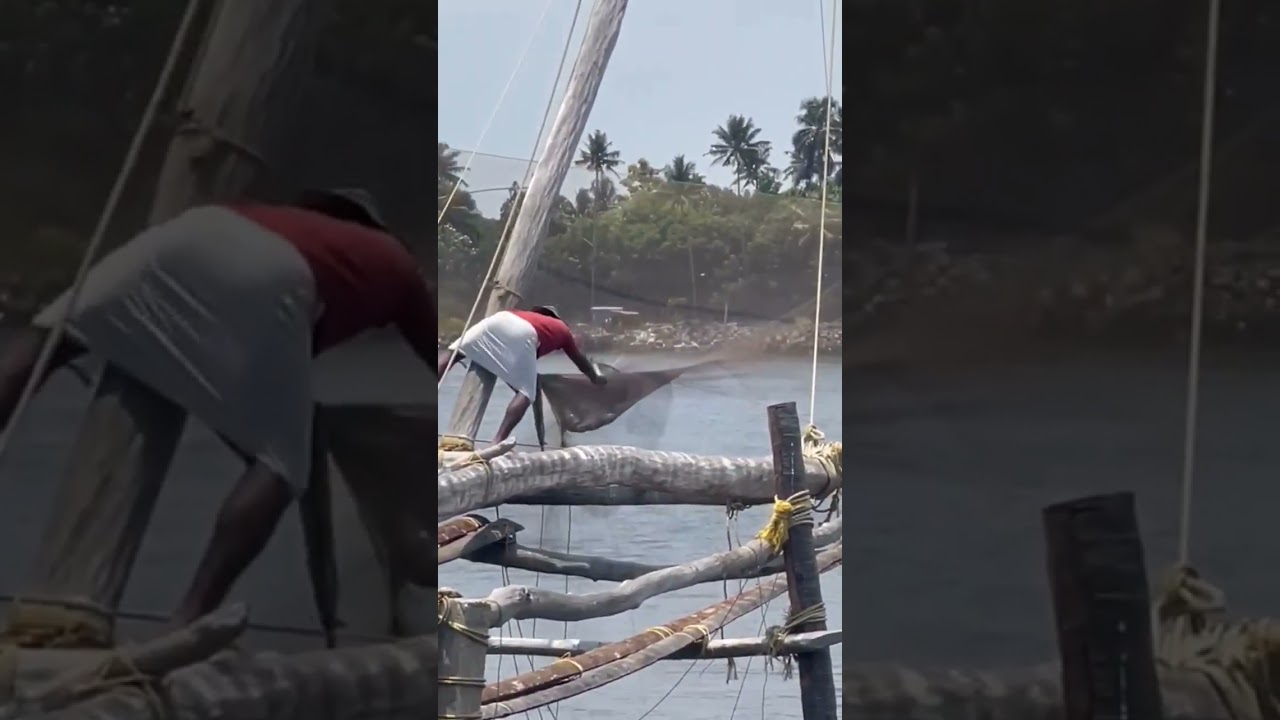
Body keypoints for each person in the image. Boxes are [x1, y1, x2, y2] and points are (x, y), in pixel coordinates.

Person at [0, 188, 438, 626]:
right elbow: (444, 364)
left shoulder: (274, 215)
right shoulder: (395, 263)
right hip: (273, 276)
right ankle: (190, 617)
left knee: (48, 339)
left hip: (188, 232)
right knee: (280, 467)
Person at [439, 304, 605, 442]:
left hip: (498, 319)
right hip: (524, 332)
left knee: (454, 352)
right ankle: (498, 441)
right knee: (526, 393)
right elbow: (580, 360)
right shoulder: (562, 329)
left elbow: (512, 365)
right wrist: (594, 377)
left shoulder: (521, 313)